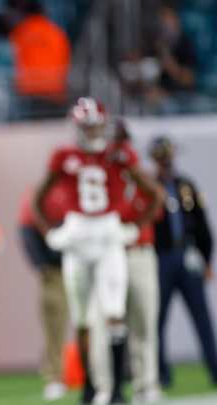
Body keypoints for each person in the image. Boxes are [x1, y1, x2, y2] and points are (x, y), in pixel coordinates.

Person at [32, 98, 160, 405]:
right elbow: (37, 199)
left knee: (114, 312)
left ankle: (116, 390)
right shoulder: (64, 156)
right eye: (85, 126)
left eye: (94, 126)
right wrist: (50, 232)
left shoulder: (118, 154)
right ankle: (90, 386)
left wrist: (135, 227)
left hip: (107, 235)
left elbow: (154, 194)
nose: (90, 132)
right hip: (77, 236)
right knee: (82, 317)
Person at [88, 121, 164, 404]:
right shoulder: (98, 180)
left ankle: (146, 384)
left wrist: (136, 227)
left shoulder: (141, 179)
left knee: (144, 320)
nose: (120, 149)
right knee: (102, 323)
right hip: (107, 254)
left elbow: (157, 202)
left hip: (139, 252)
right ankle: (105, 386)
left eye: (123, 142)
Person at [149, 136, 217, 389]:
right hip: (161, 257)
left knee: (202, 318)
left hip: (187, 256)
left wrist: (206, 260)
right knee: (157, 320)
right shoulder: (150, 186)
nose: (165, 161)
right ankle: (161, 374)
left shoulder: (185, 185)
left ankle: (214, 369)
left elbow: (202, 225)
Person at [18, 184, 70, 401]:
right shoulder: (39, 194)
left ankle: (103, 376)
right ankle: (54, 377)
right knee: (55, 324)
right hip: (56, 271)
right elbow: (26, 229)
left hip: (87, 264)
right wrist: (42, 264)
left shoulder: (81, 189)